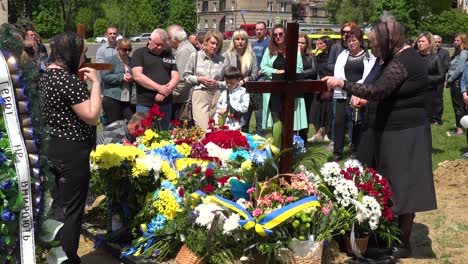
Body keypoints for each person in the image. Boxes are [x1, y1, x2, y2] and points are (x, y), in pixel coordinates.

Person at [322, 20, 437, 259]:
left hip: (406, 131)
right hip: (393, 130)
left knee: (405, 188)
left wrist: (343, 83)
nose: (374, 49)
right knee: (393, 185)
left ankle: (402, 242)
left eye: (376, 45)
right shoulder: (394, 59)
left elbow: (378, 91)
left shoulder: (407, 60)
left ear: (389, 40)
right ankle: (388, 235)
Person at [39, 32, 102, 264]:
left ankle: (53, 252)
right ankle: (66, 258)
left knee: (58, 205)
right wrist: (96, 83)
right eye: (83, 53)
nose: (84, 58)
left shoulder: (47, 76)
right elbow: (93, 116)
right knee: (72, 209)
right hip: (72, 151)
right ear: (71, 53)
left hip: (53, 147)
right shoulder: (67, 80)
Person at [331, 29, 376, 161]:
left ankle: (355, 149)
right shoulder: (342, 55)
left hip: (358, 93)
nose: (351, 43)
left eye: (354, 40)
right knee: (339, 122)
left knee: (356, 122)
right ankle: (337, 151)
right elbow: (337, 72)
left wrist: (357, 87)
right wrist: (344, 84)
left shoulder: (368, 56)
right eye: (349, 41)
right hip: (342, 92)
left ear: (360, 41)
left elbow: (369, 75)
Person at [260, 24, 305, 146]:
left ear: (285, 34)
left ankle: (288, 146)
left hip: (289, 88)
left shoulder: (294, 49)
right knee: (276, 117)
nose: (278, 37)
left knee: (288, 118)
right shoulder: (269, 50)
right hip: (274, 88)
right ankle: (276, 146)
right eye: (275, 35)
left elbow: (299, 68)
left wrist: (286, 72)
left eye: (280, 34)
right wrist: (275, 72)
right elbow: (263, 67)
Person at [131, 28, 179, 130]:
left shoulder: (168, 55)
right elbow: (138, 76)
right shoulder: (139, 53)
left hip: (166, 103)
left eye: (162, 45)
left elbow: (176, 77)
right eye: (157, 44)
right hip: (146, 104)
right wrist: (159, 88)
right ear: (149, 40)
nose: (160, 47)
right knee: (143, 134)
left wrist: (165, 91)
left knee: (163, 134)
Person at [183, 30, 225, 130]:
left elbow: (229, 83)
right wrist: (199, 79)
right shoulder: (195, 56)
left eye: (217, 44)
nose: (214, 46)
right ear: (206, 42)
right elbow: (186, 76)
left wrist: (217, 83)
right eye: (212, 43)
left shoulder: (222, 59)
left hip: (217, 96)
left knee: (217, 129)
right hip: (200, 94)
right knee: (203, 129)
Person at [223, 29, 259, 132]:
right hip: (231, 92)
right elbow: (224, 73)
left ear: (246, 41)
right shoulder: (228, 55)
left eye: (242, 39)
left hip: (246, 91)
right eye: (237, 39)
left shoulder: (251, 55)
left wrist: (246, 80)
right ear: (233, 41)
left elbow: (255, 73)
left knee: (245, 122)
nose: (240, 42)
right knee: (232, 122)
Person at [242, 21, 269, 135]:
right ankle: (245, 129)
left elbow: (268, 62)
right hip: (252, 77)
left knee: (258, 105)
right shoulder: (254, 44)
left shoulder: (268, 43)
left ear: (265, 30)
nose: (258, 31)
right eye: (257, 29)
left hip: (261, 78)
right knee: (248, 104)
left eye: (261, 29)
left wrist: (259, 72)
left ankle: (259, 131)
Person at [101, 38, 136, 124]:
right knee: (115, 125)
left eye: (129, 50)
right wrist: (121, 77)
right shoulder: (110, 60)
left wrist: (132, 78)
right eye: (124, 50)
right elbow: (104, 76)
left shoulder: (132, 61)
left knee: (132, 122)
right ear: (118, 49)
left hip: (128, 98)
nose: (127, 52)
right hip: (112, 98)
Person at [167, 25, 197, 120]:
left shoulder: (183, 51)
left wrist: (171, 93)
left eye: (169, 38)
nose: (168, 41)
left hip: (183, 99)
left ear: (175, 39)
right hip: (184, 97)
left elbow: (183, 79)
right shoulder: (186, 47)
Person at [415, 32, 444, 123]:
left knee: (426, 120)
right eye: (419, 41)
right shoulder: (413, 56)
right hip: (414, 92)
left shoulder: (435, 57)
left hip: (429, 94)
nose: (420, 43)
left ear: (430, 43)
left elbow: (441, 76)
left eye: (423, 41)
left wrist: (426, 79)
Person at [313, 36, 334, 144]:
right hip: (320, 85)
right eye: (318, 43)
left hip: (330, 85)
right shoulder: (319, 56)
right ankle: (318, 133)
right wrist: (315, 51)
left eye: (321, 44)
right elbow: (314, 66)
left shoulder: (332, 56)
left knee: (328, 110)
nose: (319, 45)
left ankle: (327, 133)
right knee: (318, 110)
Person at [298, 32, 318, 143]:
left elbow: (314, 71)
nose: (300, 45)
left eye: (303, 43)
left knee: (304, 118)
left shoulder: (310, 56)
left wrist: (299, 73)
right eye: (298, 42)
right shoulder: (290, 55)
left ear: (306, 44)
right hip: (294, 90)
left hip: (307, 90)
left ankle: (303, 142)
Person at [446, 33, 468, 137]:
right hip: (455, 82)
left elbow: (459, 69)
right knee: (459, 106)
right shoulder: (458, 53)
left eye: (457, 41)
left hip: (457, 83)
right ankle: (460, 127)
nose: (455, 42)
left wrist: (449, 80)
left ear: (463, 42)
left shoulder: (463, 53)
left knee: (458, 107)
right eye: (454, 40)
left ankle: (460, 130)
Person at [434, 35, 451, 125]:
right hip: (428, 79)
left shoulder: (444, 52)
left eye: (439, 42)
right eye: (435, 42)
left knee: (438, 99)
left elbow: (447, 65)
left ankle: (437, 119)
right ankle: (429, 117)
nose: (437, 44)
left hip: (439, 80)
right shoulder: (428, 52)